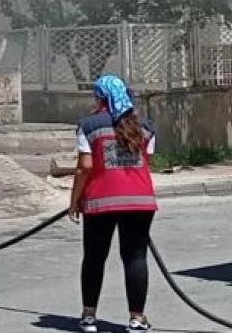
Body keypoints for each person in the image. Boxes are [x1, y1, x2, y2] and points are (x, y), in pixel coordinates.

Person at [69, 73, 157, 333]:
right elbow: (146, 162)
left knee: (95, 257)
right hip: (140, 201)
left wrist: (74, 201)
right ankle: (137, 320)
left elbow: (85, 167)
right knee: (135, 258)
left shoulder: (88, 125)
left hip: (100, 202)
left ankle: (88, 318)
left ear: (101, 97)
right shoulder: (146, 126)